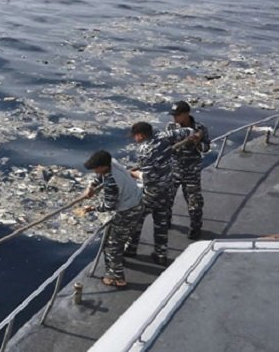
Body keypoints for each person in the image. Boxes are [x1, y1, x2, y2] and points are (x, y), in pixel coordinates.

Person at [126, 121, 200, 265]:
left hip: (152, 192)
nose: (134, 139)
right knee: (161, 222)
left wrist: (134, 174)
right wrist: (195, 135)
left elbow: (148, 177)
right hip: (167, 188)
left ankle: (131, 249)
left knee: (136, 219)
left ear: (140, 136)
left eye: (135, 136)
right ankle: (161, 254)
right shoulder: (164, 136)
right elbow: (188, 131)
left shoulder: (144, 150)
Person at [83, 150, 144, 288]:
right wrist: (91, 186)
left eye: (96, 168)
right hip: (138, 204)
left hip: (127, 212)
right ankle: (126, 256)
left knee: (112, 247)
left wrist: (92, 208)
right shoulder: (112, 163)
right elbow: (100, 177)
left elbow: (109, 205)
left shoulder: (111, 182)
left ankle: (118, 279)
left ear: (104, 166)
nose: (94, 171)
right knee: (123, 238)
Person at [166, 101, 211, 240]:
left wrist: (197, 142)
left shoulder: (200, 128)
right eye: (173, 115)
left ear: (186, 114)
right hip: (173, 169)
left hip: (191, 171)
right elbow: (167, 145)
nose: (175, 118)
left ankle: (195, 227)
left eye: (177, 115)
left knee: (194, 202)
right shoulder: (171, 127)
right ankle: (166, 222)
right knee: (167, 199)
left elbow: (206, 148)